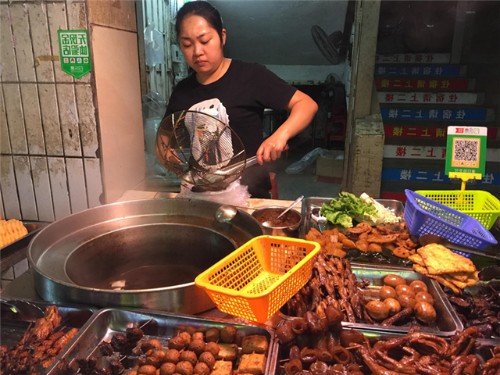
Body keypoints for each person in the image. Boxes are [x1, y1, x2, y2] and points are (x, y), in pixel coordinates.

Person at [158, 1, 318, 198]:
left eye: (205, 40)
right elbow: (165, 138)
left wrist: (279, 135)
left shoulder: (251, 76)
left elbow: (306, 105)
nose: (197, 51)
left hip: (250, 197)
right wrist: (167, 154)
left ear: (222, 36)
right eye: (187, 44)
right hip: (202, 196)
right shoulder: (182, 91)